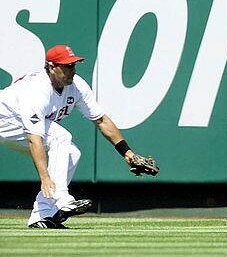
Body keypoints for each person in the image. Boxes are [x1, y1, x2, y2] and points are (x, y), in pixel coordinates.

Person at [0, 45, 142, 229]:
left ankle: (42, 215)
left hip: (18, 122)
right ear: (51, 67)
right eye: (67, 66)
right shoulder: (37, 90)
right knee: (61, 137)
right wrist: (44, 177)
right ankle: (62, 197)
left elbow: (101, 120)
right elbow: (34, 139)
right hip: (4, 118)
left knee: (72, 153)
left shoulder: (77, 86)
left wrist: (127, 152)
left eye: (73, 65)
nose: (72, 71)